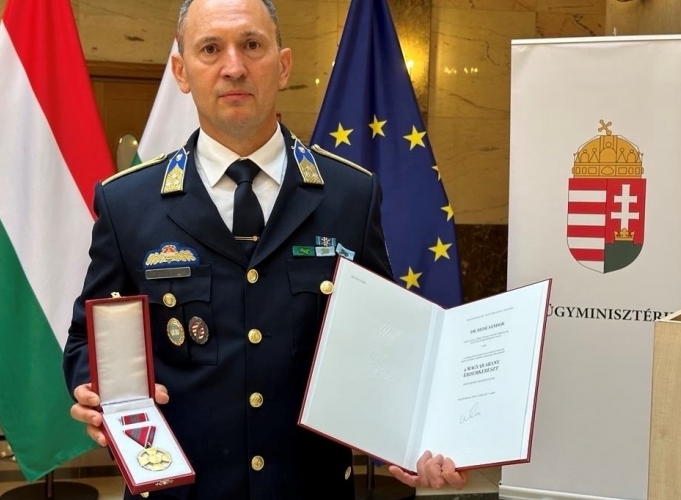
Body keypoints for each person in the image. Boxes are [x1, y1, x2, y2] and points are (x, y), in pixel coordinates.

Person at [63, 0, 468, 498]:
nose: (234, 66)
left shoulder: (350, 195)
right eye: (210, 49)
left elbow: (389, 336)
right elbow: (88, 338)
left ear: (283, 65)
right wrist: (96, 389)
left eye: (252, 45)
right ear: (181, 71)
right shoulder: (128, 202)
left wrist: (421, 439)